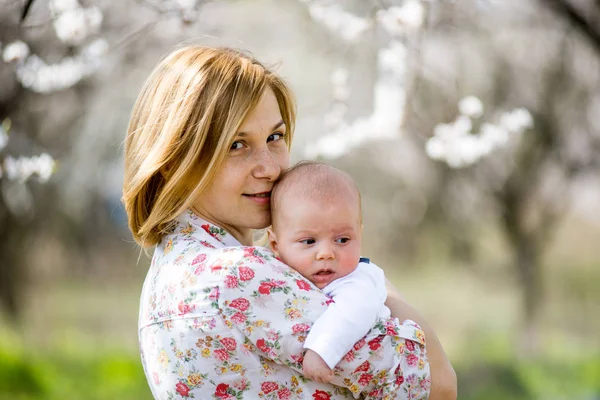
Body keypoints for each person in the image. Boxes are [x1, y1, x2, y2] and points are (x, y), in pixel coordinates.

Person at [122, 45, 457, 400]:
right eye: (237, 145)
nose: (269, 167)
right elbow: (438, 383)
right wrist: (368, 280)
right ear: (176, 161)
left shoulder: (171, 268)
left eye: (274, 137)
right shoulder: (240, 276)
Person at [267, 161, 394, 383]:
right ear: (276, 245)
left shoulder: (357, 281)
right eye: (309, 241)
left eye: (342, 240)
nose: (326, 253)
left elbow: (354, 310)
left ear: (359, 235)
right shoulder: (277, 271)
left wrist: (322, 351)